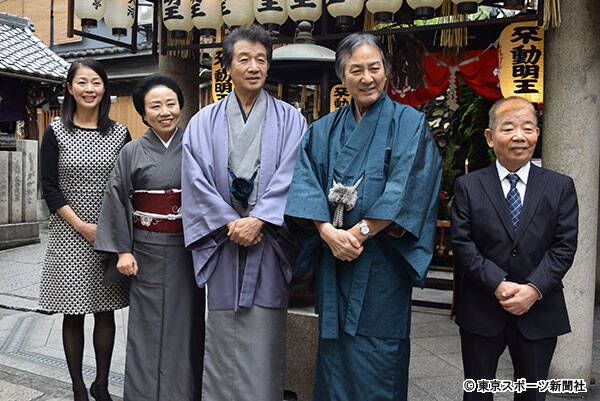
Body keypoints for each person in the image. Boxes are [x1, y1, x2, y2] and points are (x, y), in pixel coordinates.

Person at [284, 33, 442, 401]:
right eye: (356, 70)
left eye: (374, 68)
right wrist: (326, 231)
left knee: (381, 354)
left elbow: (409, 185)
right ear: (343, 76)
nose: (366, 77)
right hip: (335, 260)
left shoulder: (409, 123)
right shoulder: (322, 129)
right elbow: (304, 182)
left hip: (382, 263)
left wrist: (359, 232)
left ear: (386, 72)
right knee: (333, 354)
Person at [181, 24, 307, 401]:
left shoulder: (291, 120)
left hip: (267, 239)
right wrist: (229, 222)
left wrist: (261, 218)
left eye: (261, 60)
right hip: (224, 241)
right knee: (222, 332)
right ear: (228, 66)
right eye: (244, 59)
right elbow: (195, 180)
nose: (254, 67)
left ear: (268, 66)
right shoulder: (203, 121)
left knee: (264, 334)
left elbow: (294, 171)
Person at [451, 96, 578, 401]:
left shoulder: (560, 186)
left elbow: (565, 246)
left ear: (537, 133)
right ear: (490, 137)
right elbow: (462, 243)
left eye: (528, 128)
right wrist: (496, 283)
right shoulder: (468, 186)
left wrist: (534, 289)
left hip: (540, 309)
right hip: (482, 308)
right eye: (508, 128)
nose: (519, 137)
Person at [94, 74, 204, 401]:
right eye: (155, 106)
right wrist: (121, 251)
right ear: (143, 113)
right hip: (146, 250)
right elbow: (115, 198)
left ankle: (184, 394)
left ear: (181, 107)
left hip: (187, 249)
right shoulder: (131, 151)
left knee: (186, 328)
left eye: (171, 104)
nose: (165, 111)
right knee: (145, 329)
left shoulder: (198, 147)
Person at [40, 58, 130, 401]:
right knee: (73, 310)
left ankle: (102, 385)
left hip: (108, 232)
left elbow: (126, 187)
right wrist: (80, 225)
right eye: (82, 82)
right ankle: (78, 388)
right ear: (69, 88)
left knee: (105, 310)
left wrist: (109, 231)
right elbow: (49, 186)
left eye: (95, 82)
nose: (89, 89)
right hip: (68, 232)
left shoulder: (120, 133)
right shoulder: (55, 131)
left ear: (104, 87)